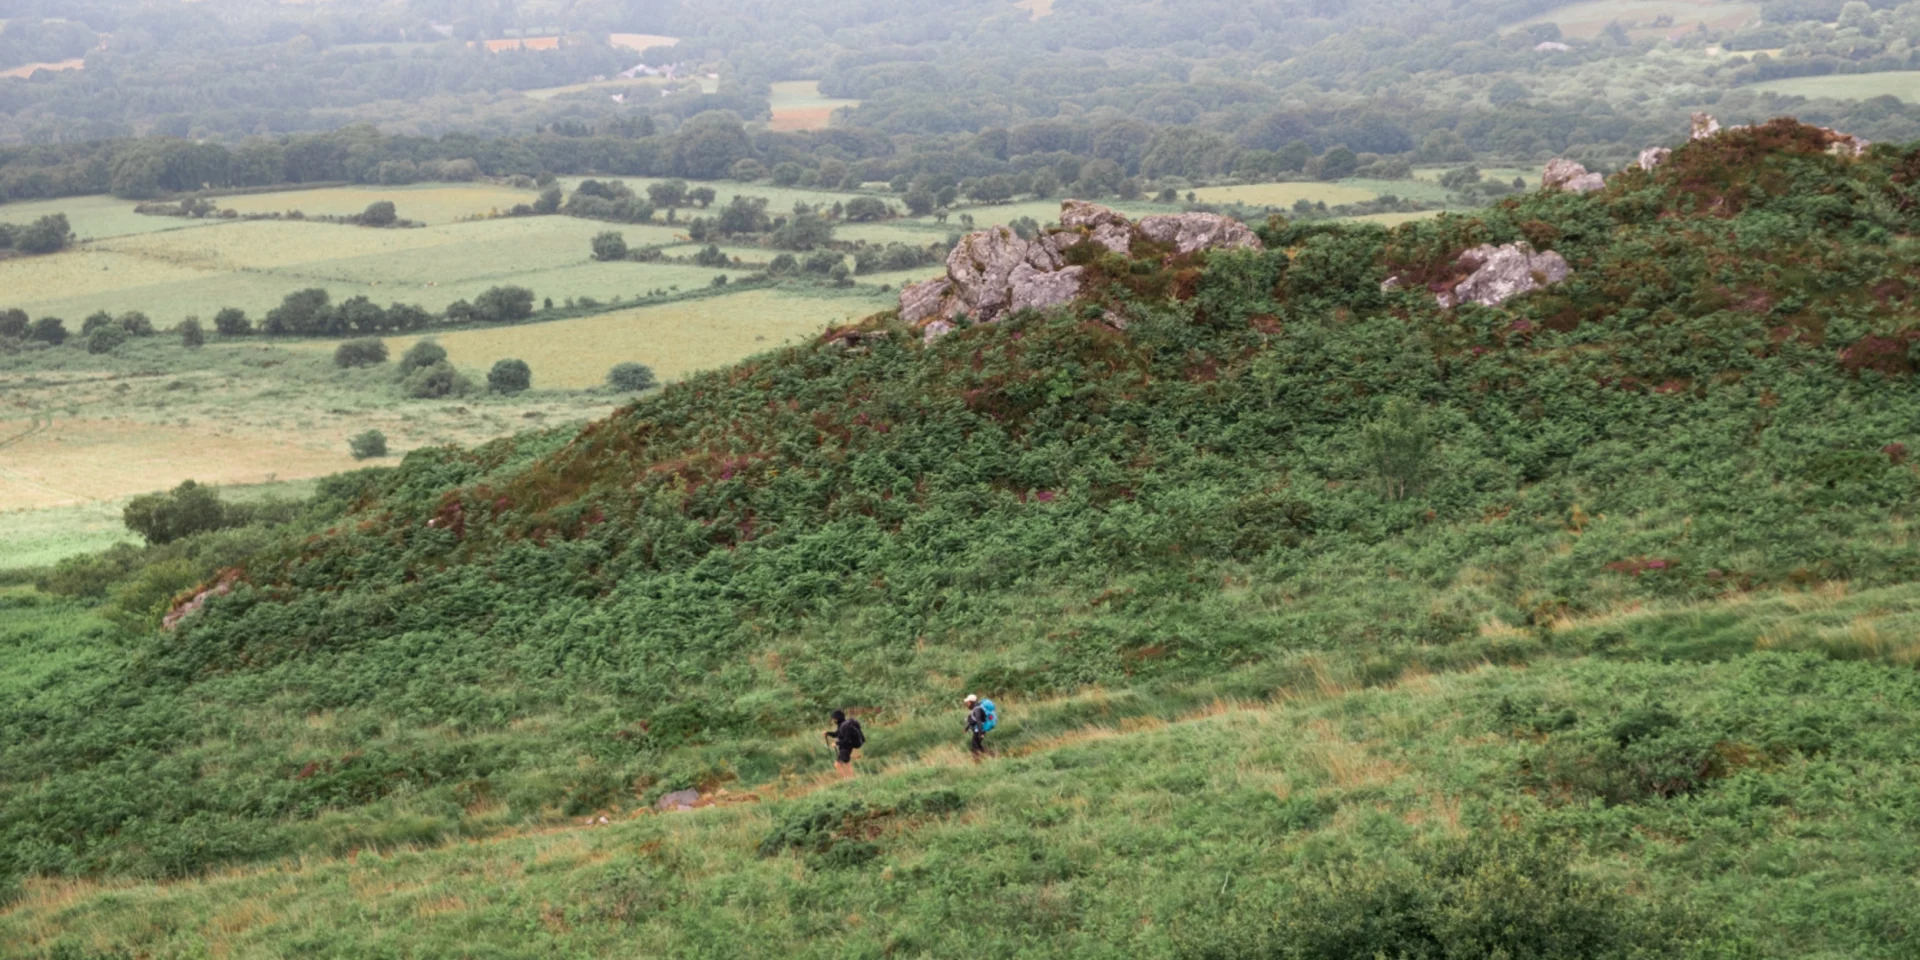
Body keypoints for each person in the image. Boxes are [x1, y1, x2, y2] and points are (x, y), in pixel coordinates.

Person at [824, 709, 863, 777]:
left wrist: (837, 743)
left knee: (837, 765)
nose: (834, 720)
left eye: (835, 718)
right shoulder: (842, 725)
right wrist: (828, 733)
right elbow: (837, 734)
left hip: (845, 748)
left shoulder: (844, 726)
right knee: (847, 764)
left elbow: (847, 739)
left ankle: (846, 779)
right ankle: (851, 778)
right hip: (845, 747)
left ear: (838, 718)